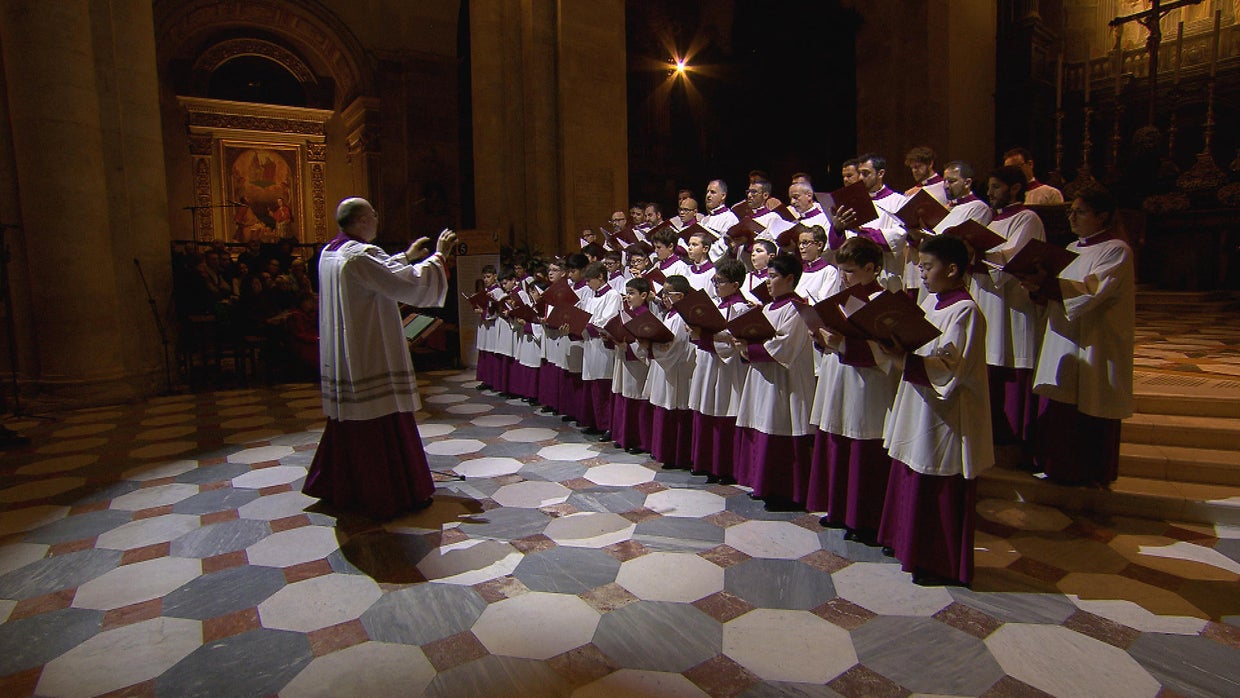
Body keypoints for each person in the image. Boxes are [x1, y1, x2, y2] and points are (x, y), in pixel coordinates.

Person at [304, 197, 457, 518]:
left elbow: (377, 275)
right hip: (369, 350)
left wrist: (407, 256)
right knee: (381, 416)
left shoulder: (331, 252)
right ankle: (392, 490)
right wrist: (439, 256)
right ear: (361, 221)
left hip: (346, 352)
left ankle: (340, 485)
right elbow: (407, 285)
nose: (377, 219)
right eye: (373, 215)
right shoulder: (361, 255)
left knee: (352, 418)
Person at [878, 234, 992, 586]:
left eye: (928, 267)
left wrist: (906, 360)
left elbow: (949, 367)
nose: (922, 274)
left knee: (936, 475)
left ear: (953, 269)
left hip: (946, 413)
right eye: (921, 267)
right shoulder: (934, 303)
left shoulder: (965, 310)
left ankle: (937, 560)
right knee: (914, 466)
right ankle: (908, 546)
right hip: (920, 402)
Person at [1027, 187, 1133, 486]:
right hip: (1065, 334)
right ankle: (1058, 466)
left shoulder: (1116, 250)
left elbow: (1090, 290)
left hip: (1096, 339)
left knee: (1092, 400)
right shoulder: (1072, 247)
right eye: (1070, 211)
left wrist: (1047, 285)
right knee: (1063, 401)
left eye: (1080, 211)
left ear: (1102, 216)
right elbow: (1057, 292)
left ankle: (1091, 473)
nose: (1072, 217)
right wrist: (1037, 287)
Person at [807, 237, 898, 543]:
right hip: (839, 376)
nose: (843, 276)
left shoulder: (884, 302)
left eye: (849, 270)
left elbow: (886, 351)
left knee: (862, 447)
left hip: (866, 385)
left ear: (871, 268)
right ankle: (839, 510)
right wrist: (819, 336)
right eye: (841, 270)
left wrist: (843, 343)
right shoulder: (842, 297)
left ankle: (865, 520)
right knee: (838, 441)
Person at [732, 253, 816, 510]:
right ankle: (762, 483)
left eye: (772, 277)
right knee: (761, 421)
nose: (767, 282)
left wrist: (748, 347)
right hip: (762, 377)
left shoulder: (798, 308)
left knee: (779, 423)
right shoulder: (767, 308)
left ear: (790, 278)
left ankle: (784, 490)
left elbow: (783, 347)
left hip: (785, 381)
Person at [976, 165, 1046, 448]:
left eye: (996, 187)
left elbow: (1016, 258)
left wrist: (979, 255)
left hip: (1011, 307)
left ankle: (1014, 440)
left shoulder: (1027, 218)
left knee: (1010, 363)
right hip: (988, 302)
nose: (990, 193)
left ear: (1015, 188)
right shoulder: (993, 221)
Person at [645, 275, 697, 469]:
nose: (664, 297)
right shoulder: (670, 315)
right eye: (663, 292)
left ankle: (677, 455)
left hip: (677, 370)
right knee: (664, 406)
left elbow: (674, 348)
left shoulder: (682, 317)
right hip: (666, 368)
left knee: (675, 408)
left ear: (681, 296)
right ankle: (663, 451)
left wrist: (651, 347)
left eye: (668, 293)